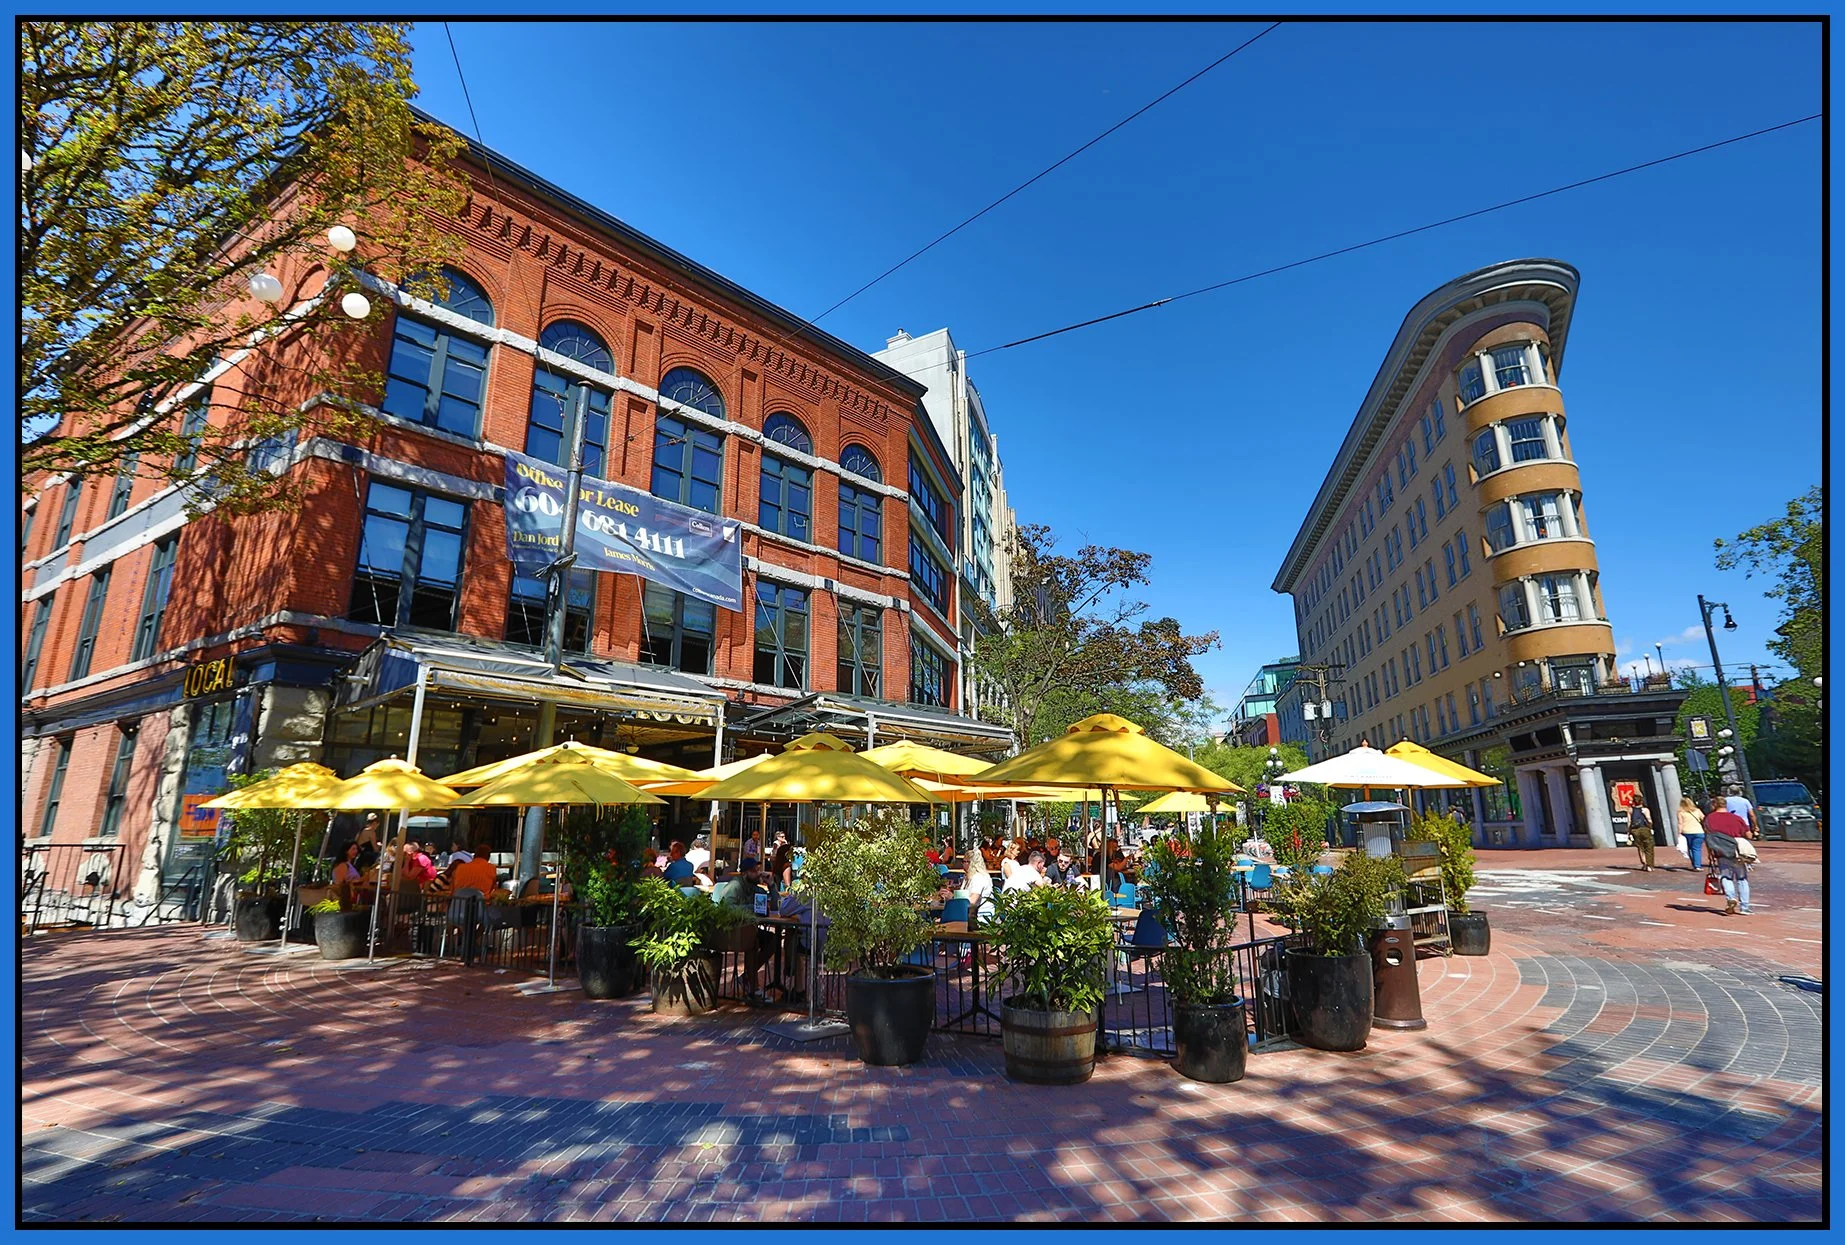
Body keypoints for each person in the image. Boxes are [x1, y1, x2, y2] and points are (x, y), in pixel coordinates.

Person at [1703, 797, 1753, 915]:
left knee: (1726, 876)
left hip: (1721, 851)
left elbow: (1708, 837)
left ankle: (1731, 897)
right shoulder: (1737, 818)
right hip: (1737, 851)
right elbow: (1749, 835)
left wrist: (1710, 853)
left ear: (1714, 805)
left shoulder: (1709, 818)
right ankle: (1745, 907)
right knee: (1742, 878)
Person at [331, 841, 364, 908]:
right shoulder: (343, 865)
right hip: (346, 899)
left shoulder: (349, 864)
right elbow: (340, 883)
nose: (356, 851)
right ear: (346, 851)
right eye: (353, 849)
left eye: (356, 849)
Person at [1677, 796, 1707, 871]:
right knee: (1697, 848)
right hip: (1699, 831)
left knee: (1690, 848)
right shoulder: (1697, 810)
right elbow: (1704, 819)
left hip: (1686, 832)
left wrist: (1679, 832)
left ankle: (1695, 864)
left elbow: (1680, 823)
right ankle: (1697, 865)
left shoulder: (1681, 812)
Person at [1627, 798, 1656, 872]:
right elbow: (1649, 820)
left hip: (1635, 830)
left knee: (1640, 847)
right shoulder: (1645, 810)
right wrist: (1650, 826)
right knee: (1649, 847)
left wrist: (1629, 831)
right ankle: (1649, 865)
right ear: (1641, 801)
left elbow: (1629, 822)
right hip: (1644, 829)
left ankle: (1644, 863)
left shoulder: (1630, 810)